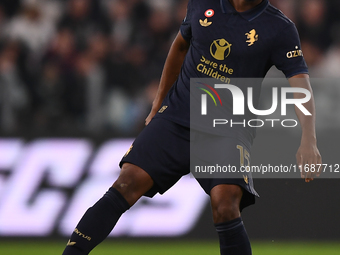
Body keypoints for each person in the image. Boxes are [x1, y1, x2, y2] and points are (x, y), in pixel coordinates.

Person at [61, 0, 322, 254]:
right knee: (127, 183)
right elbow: (180, 46)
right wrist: (159, 103)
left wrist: (308, 139)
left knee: (225, 204)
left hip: (228, 129)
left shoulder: (279, 27)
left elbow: (300, 83)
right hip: (177, 116)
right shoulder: (202, 3)